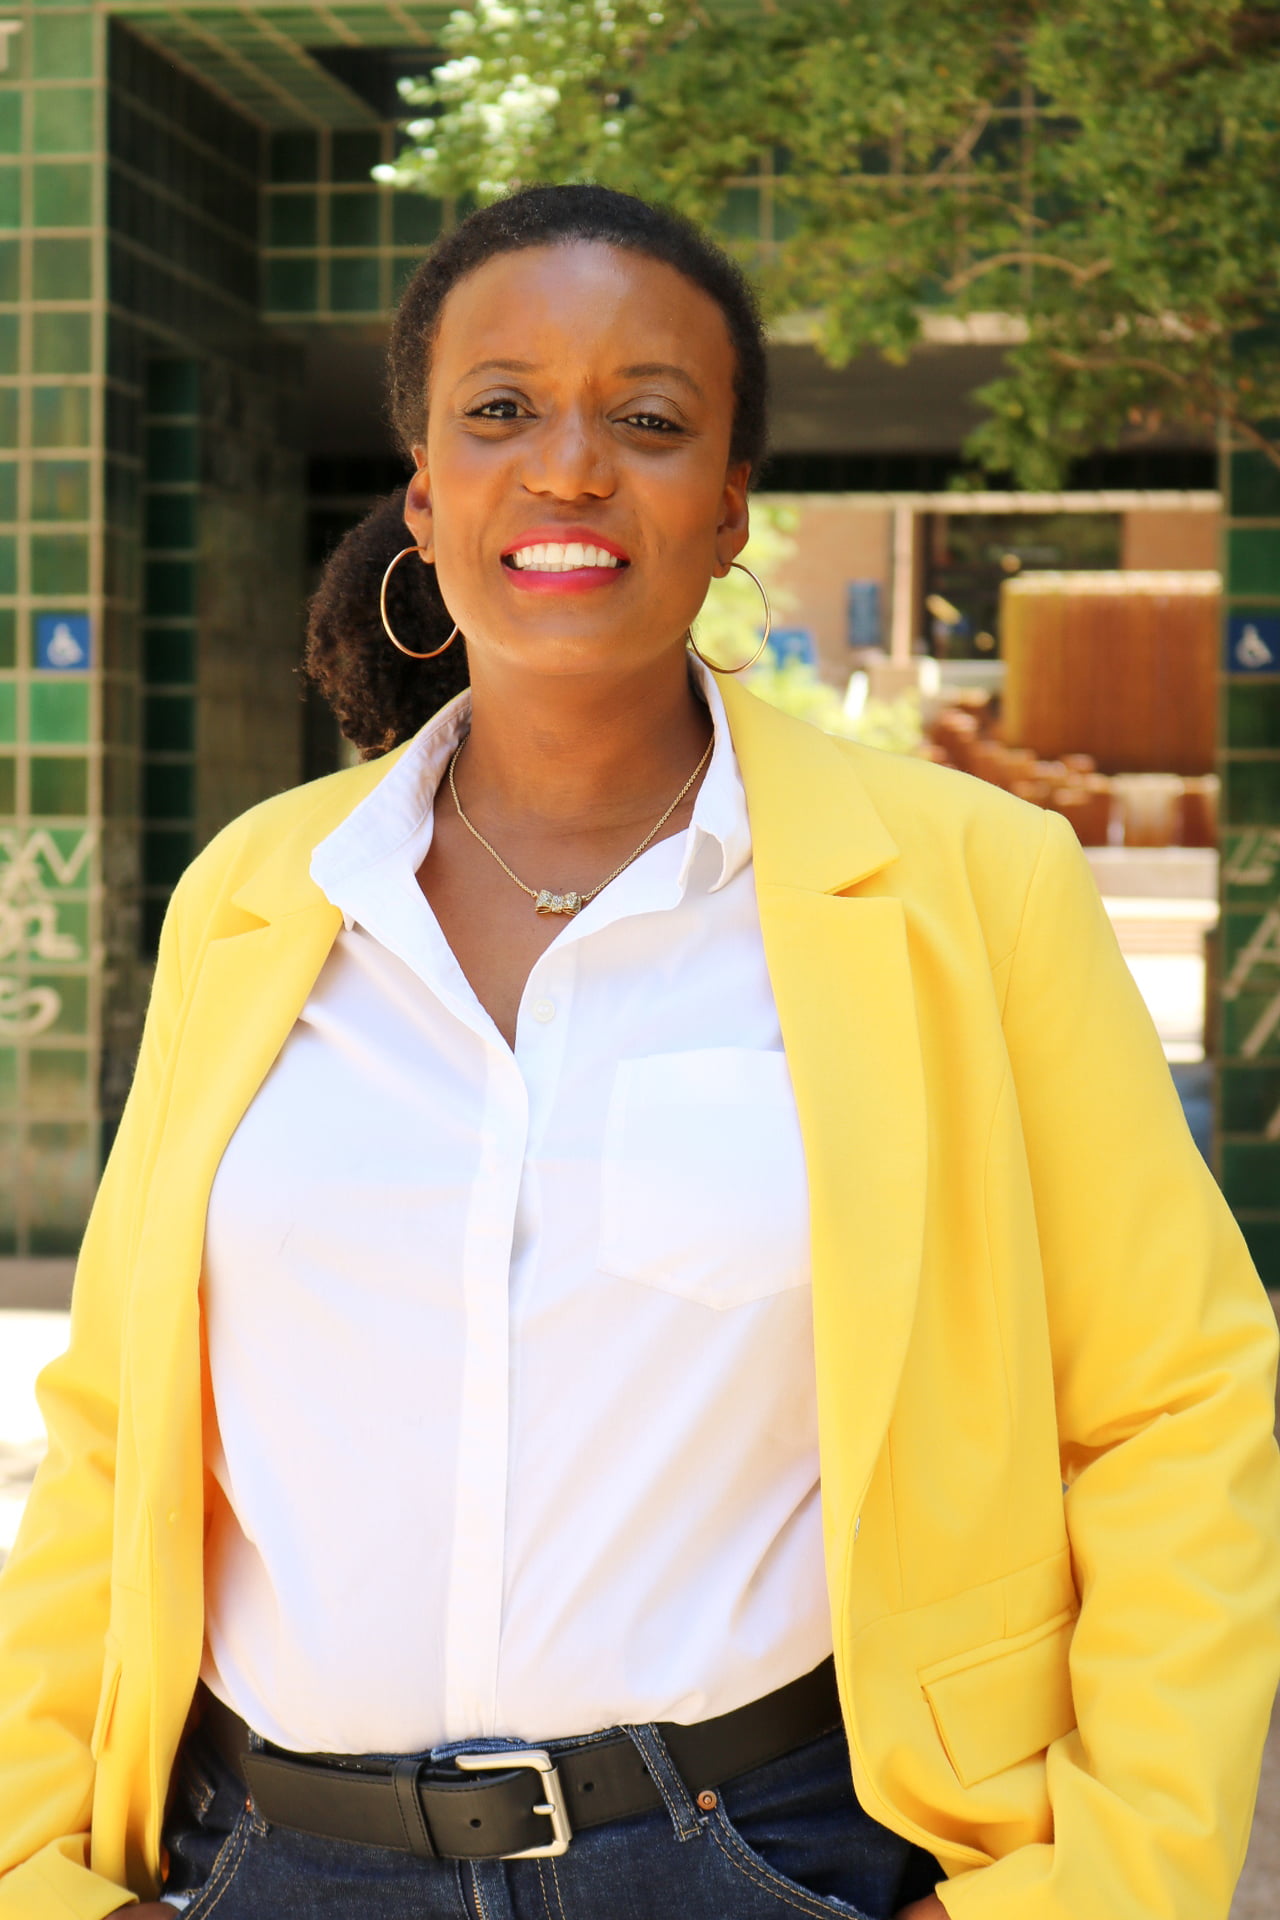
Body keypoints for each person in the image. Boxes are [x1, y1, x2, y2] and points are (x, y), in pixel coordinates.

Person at [0, 183, 1277, 1920]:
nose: (571, 467)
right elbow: (112, 1433)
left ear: (733, 505)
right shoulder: (256, 895)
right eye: (501, 409)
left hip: (760, 1859)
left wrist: (1102, 1888)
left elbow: (1176, 1408)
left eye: (651, 421)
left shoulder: (972, 887)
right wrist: (39, 1871)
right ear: (426, 492)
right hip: (268, 1862)